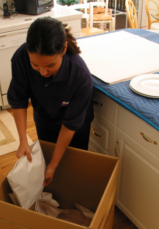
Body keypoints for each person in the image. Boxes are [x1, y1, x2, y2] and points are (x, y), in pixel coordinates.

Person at [7, 16, 94, 187]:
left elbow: (70, 125)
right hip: (44, 120)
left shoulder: (80, 77)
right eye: (35, 66)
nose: (42, 72)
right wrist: (23, 140)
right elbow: (19, 99)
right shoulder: (20, 57)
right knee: (47, 168)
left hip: (74, 129)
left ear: (63, 49)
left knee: (71, 170)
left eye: (50, 66)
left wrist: (54, 165)